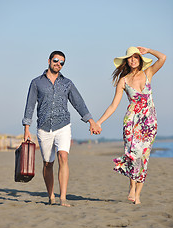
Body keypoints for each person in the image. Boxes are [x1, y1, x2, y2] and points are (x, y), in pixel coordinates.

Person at [22, 50, 101, 206]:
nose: (58, 64)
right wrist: (26, 129)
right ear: (49, 60)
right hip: (43, 127)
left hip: (63, 125)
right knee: (47, 163)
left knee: (63, 157)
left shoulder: (67, 83)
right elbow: (30, 105)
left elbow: (78, 102)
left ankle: (62, 198)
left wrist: (91, 121)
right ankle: (51, 195)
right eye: (56, 60)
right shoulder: (36, 82)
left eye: (62, 62)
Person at [95, 46, 166, 204]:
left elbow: (163, 58)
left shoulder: (148, 73)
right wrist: (99, 121)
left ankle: (138, 194)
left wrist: (148, 50)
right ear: (126, 60)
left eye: (136, 57)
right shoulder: (124, 80)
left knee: (144, 157)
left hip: (149, 123)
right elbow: (113, 105)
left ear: (140, 59)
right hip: (131, 122)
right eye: (130, 57)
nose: (133, 60)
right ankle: (131, 188)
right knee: (133, 154)